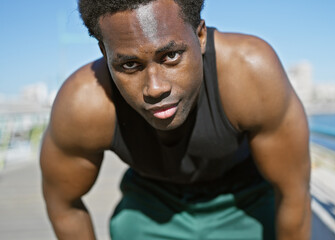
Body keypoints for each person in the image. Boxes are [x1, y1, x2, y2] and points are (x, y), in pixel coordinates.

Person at [40, 0, 311, 239]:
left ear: (201, 35)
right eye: (130, 65)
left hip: (244, 197)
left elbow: (293, 193)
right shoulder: (83, 103)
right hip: (151, 204)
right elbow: (63, 203)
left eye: (170, 56)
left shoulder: (250, 73)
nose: (155, 88)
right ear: (104, 51)